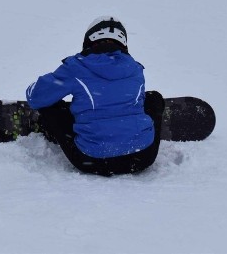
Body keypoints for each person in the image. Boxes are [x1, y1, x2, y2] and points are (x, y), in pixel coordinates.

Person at [24, 16, 164, 176]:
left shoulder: (77, 67)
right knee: (153, 98)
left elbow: (36, 97)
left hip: (93, 160)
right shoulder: (136, 68)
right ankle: (139, 130)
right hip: (143, 157)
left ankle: (47, 128)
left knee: (50, 106)